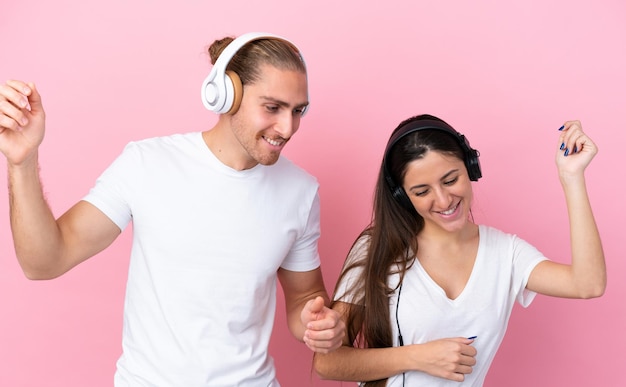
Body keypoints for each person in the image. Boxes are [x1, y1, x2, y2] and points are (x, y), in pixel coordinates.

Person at [0, 32, 345, 386]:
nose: (287, 128)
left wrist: (320, 325)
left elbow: (304, 296)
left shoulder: (301, 192)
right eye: (272, 107)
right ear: (226, 94)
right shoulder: (146, 164)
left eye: (298, 110)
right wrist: (22, 162)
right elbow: (44, 262)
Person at [313, 114, 606, 386]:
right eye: (422, 191)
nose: (443, 200)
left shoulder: (505, 254)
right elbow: (329, 362)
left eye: (450, 180)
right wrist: (418, 357)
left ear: (471, 167)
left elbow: (587, 284)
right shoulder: (376, 249)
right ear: (403, 196)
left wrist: (572, 177)